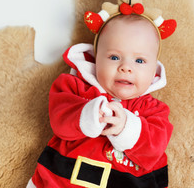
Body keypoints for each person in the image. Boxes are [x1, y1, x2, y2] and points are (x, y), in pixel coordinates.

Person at [27, 13, 174, 188]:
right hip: (62, 180)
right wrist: (89, 113)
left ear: (154, 71)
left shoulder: (154, 110)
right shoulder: (75, 88)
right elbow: (60, 117)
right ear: (96, 59)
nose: (126, 67)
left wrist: (127, 127)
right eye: (114, 57)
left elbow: (154, 149)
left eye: (140, 60)